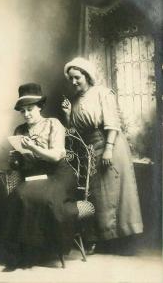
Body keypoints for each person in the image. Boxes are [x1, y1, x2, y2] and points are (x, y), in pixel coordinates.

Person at [61, 57, 143, 255]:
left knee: (114, 193)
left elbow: (113, 122)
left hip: (110, 144)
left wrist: (108, 148)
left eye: (77, 78)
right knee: (97, 195)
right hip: (89, 149)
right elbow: (74, 133)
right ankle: (101, 239)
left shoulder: (103, 93)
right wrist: (67, 114)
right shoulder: (74, 100)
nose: (73, 82)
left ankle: (121, 241)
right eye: (70, 79)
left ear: (87, 76)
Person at [1, 82, 79, 270]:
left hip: (59, 173)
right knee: (19, 195)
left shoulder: (53, 123)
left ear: (40, 107)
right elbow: (18, 164)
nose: (26, 114)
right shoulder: (19, 131)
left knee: (45, 196)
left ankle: (38, 252)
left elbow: (55, 155)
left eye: (30, 110)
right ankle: (22, 252)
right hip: (35, 176)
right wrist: (15, 159)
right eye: (23, 111)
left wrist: (33, 148)